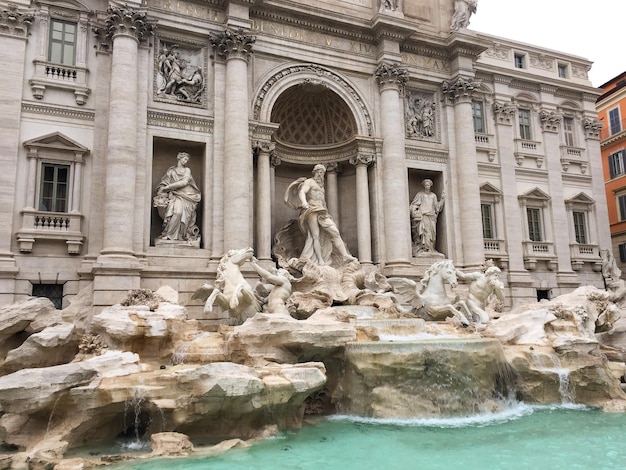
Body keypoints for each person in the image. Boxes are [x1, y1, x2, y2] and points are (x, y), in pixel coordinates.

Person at [284, 164, 355, 266]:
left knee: (335, 232)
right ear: (314, 172)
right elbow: (302, 192)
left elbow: (323, 201)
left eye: (322, 173)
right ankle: (320, 260)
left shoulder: (322, 187)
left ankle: (345, 255)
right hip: (312, 209)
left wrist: (326, 212)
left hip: (322, 211)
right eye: (318, 172)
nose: (320, 174)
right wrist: (304, 202)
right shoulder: (309, 182)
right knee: (315, 236)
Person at [154, 152, 201, 242]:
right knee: (177, 212)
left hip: (187, 196)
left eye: (187, 160)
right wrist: (162, 189)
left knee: (180, 214)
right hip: (175, 195)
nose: (186, 161)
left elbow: (184, 182)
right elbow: (164, 183)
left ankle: (180, 235)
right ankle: (169, 235)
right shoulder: (171, 171)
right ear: (179, 158)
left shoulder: (187, 170)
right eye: (184, 159)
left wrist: (168, 187)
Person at [410, 179, 444, 254]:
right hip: (424, 216)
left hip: (431, 216)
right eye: (426, 185)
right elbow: (414, 205)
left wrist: (442, 199)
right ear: (424, 186)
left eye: (428, 185)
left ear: (430, 186)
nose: (427, 186)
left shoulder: (433, 195)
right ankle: (425, 248)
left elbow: (437, 207)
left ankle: (431, 248)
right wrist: (415, 211)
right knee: (426, 232)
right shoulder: (420, 194)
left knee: (433, 234)